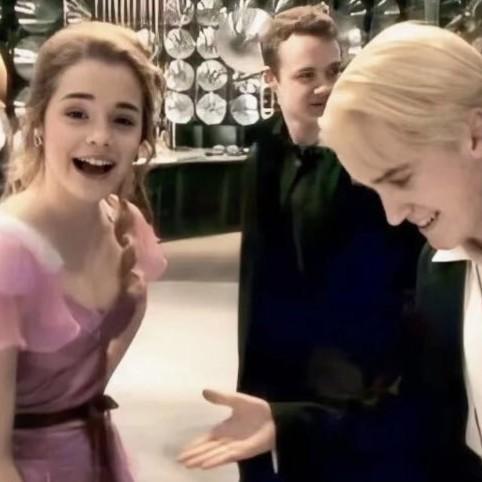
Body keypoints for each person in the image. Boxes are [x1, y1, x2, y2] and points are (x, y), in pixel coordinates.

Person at [179, 7, 425, 482]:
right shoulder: (263, 154)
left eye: (334, 71)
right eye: (307, 75)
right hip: (281, 374)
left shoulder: (369, 159)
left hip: (358, 388)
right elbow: (256, 289)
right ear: (271, 80)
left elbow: (403, 279)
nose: (325, 87)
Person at [0, 21, 166, 482]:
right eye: (77, 113)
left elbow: (131, 306)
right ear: (38, 122)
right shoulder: (7, 255)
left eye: (123, 119)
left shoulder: (124, 222)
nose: (100, 136)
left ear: (142, 137)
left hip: (95, 453)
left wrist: (75, 399)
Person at [320, 21, 482, 481]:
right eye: (375, 190)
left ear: (474, 133)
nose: (393, 215)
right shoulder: (439, 271)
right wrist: (292, 427)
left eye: (400, 178)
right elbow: (429, 423)